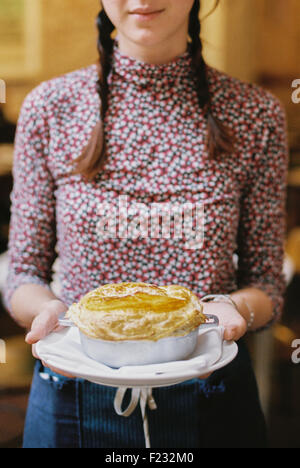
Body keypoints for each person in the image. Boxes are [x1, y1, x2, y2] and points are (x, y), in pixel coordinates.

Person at [4, 0, 289, 448]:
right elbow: (23, 273)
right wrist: (46, 312)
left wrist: (235, 309)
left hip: (212, 398)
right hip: (71, 399)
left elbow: (266, 282)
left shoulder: (255, 114)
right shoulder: (50, 108)